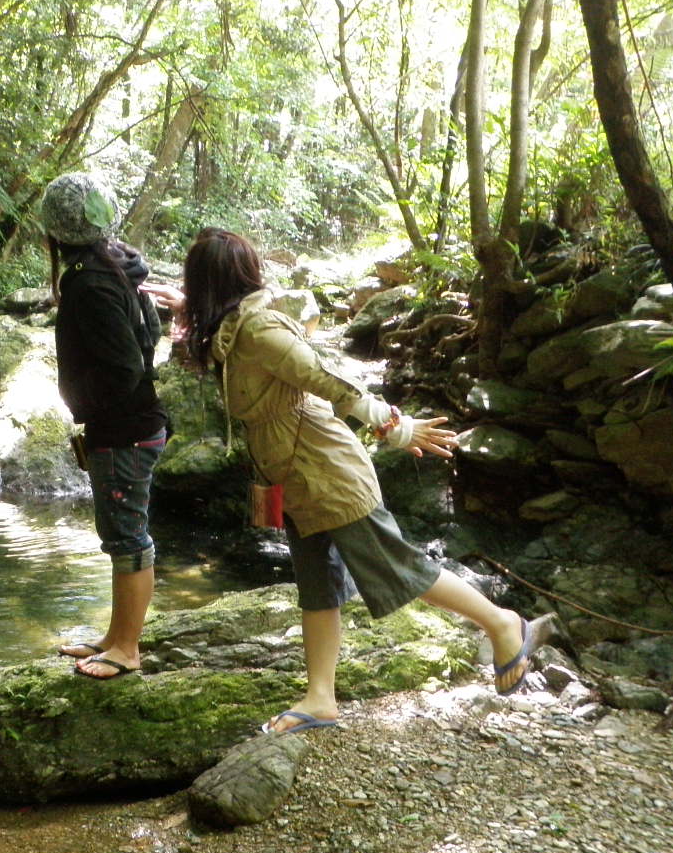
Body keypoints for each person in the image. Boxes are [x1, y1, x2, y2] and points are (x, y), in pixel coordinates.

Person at [166, 228, 538, 732]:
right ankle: (320, 697)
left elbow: (323, 376)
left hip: (326, 468)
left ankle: (502, 623)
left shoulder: (258, 330)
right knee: (317, 586)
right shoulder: (232, 329)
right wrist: (182, 308)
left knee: (396, 566)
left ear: (207, 283)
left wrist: (393, 425)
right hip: (294, 473)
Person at [40, 172, 169, 680]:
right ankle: (115, 637)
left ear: (53, 233)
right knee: (120, 533)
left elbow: (124, 366)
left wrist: (88, 409)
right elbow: (149, 338)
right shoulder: (117, 268)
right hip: (133, 422)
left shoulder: (91, 282)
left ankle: (128, 650)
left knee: (127, 536)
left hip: (124, 429)